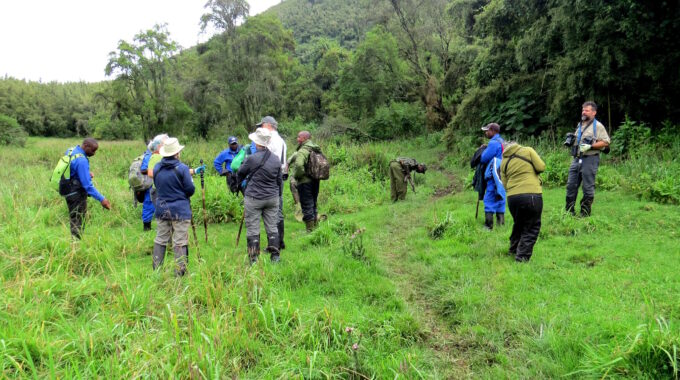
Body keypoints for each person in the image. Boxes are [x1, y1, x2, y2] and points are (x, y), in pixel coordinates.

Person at [151, 137, 202, 277]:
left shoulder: (157, 168)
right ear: (177, 153)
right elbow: (190, 189)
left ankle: (156, 270)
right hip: (180, 210)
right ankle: (180, 272)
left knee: (160, 239)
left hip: (162, 209)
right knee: (179, 241)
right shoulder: (183, 168)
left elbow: (156, 184)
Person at [237, 128, 283, 264]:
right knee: (272, 227)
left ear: (256, 143)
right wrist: (277, 195)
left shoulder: (251, 158)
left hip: (254, 198)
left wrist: (241, 188)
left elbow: (240, 173)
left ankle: (253, 259)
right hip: (272, 197)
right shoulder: (276, 159)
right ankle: (275, 257)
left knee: (252, 227)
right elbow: (279, 180)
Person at [500, 142, 546, 262]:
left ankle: (513, 250)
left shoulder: (503, 161)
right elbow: (541, 167)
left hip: (512, 198)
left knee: (519, 224)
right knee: (531, 226)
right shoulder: (528, 150)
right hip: (532, 194)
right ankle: (522, 258)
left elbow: (504, 184)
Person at [565, 101, 611, 217]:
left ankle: (585, 213)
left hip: (590, 159)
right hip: (576, 159)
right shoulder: (580, 125)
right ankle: (569, 212)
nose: (584, 112)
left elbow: (606, 142)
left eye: (587, 110)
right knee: (571, 185)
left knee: (587, 186)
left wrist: (591, 146)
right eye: (583, 110)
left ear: (594, 112)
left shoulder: (598, 126)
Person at [62, 138, 111, 239]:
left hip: (67, 189)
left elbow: (71, 168)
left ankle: (75, 244)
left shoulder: (71, 150)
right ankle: (76, 248)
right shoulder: (82, 160)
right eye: (93, 150)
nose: (94, 153)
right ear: (85, 146)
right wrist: (102, 199)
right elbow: (88, 186)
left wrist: (85, 173)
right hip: (76, 194)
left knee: (74, 218)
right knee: (77, 221)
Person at [256, 116, 288, 249]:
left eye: (262, 126)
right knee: (277, 208)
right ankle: (279, 241)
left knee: (273, 210)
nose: (260, 129)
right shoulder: (281, 140)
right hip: (279, 174)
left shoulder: (272, 139)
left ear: (268, 125)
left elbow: (267, 158)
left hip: (272, 175)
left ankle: (277, 243)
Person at [288, 131, 324, 231]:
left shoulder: (303, 150)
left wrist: (297, 176)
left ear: (304, 138)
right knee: (313, 203)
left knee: (307, 205)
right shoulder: (316, 148)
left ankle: (310, 231)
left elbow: (299, 165)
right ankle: (316, 228)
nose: (297, 139)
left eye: (299, 137)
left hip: (305, 182)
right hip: (316, 180)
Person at [480, 122, 506, 230]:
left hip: (494, 173)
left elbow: (484, 158)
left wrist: (483, 150)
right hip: (503, 173)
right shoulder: (502, 141)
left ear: (493, 131)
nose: (486, 133)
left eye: (487, 131)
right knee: (500, 196)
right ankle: (501, 224)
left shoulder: (493, 143)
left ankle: (488, 225)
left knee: (489, 197)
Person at [140, 134, 168, 231]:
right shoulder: (152, 156)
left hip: (153, 183)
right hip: (151, 183)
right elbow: (144, 169)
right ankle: (147, 228)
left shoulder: (150, 154)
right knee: (150, 204)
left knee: (153, 204)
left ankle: (150, 227)